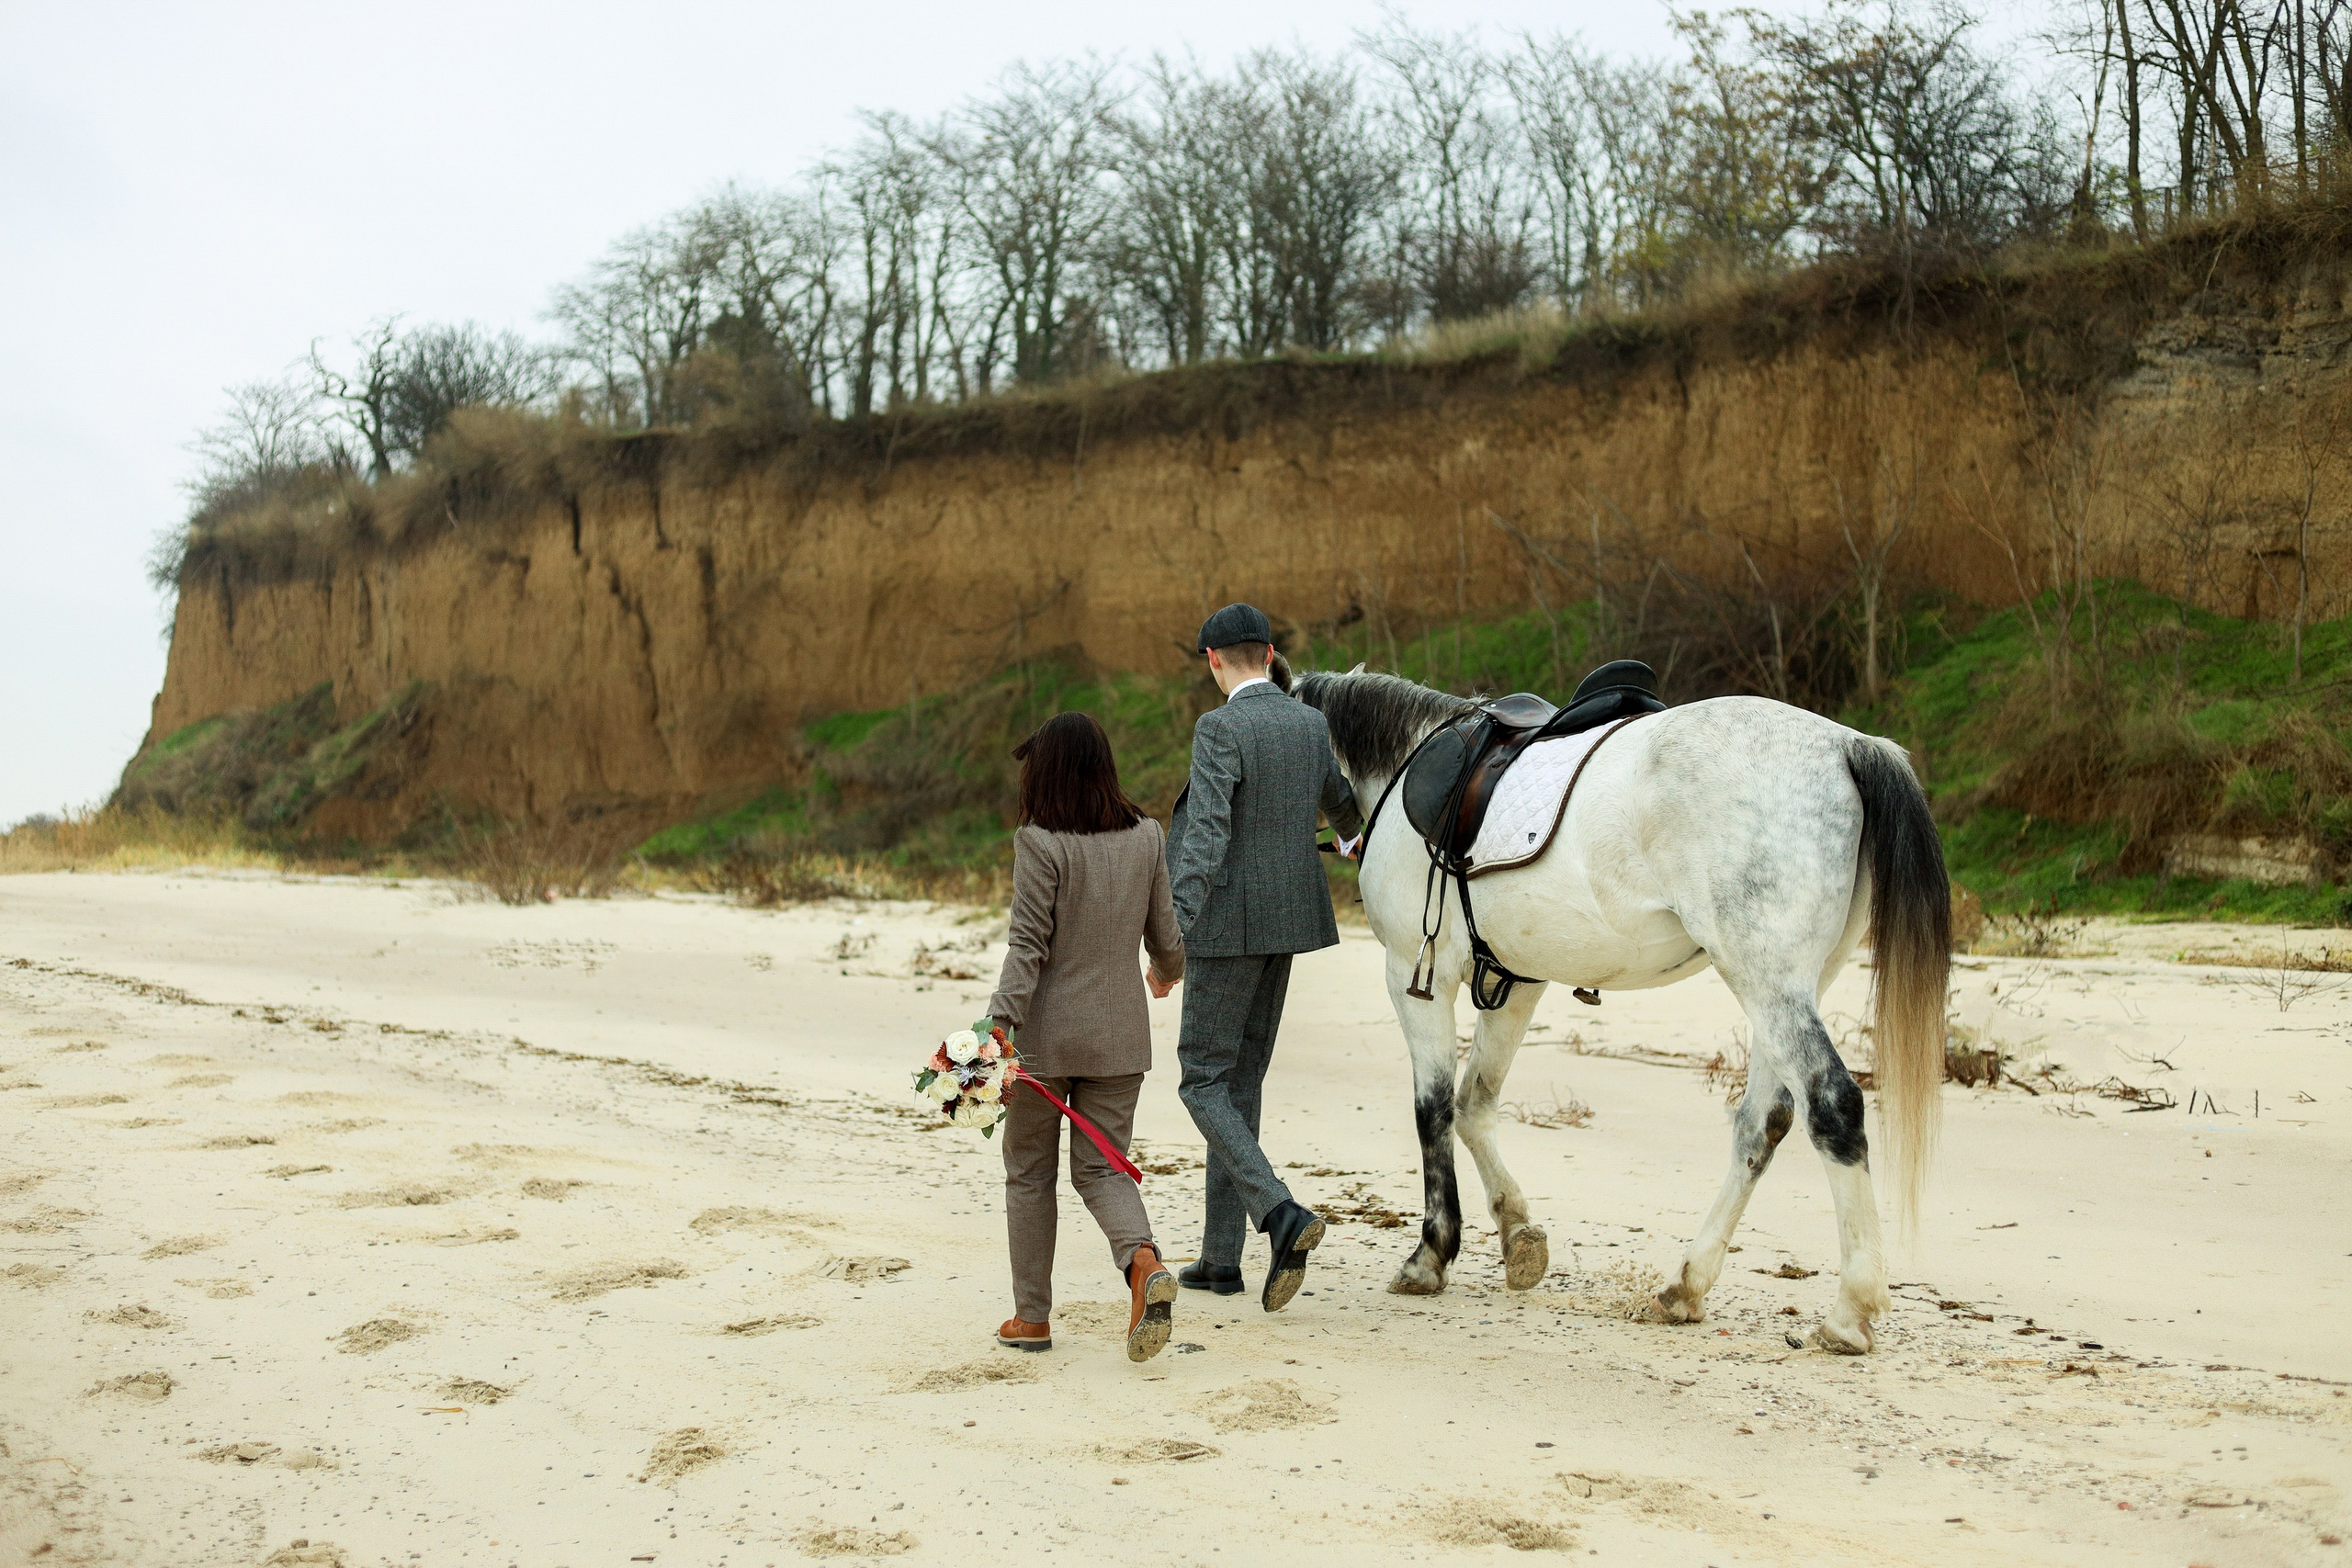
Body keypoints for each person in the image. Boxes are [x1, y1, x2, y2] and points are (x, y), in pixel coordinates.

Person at [1166, 604, 1363, 1313]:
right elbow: (1342, 804)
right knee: (1239, 1081)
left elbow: (1207, 835)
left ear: (1214, 660)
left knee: (1200, 1080)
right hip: (1289, 922)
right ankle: (1220, 1260)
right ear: (1271, 653)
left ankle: (1279, 1214)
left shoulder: (1219, 727)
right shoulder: (1309, 722)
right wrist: (1351, 840)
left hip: (1225, 929)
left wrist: (1174, 932)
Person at [982, 711, 1187, 1363]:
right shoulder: (1147, 835)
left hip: (1045, 1042)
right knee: (1101, 1166)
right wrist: (1165, 972)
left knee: (1029, 1174)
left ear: (1047, 771)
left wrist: (998, 1022)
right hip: (1120, 1038)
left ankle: (1032, 1318)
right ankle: (1144, 1261)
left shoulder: (1038, 841)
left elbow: (1028, 946)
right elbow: (1168, 936)